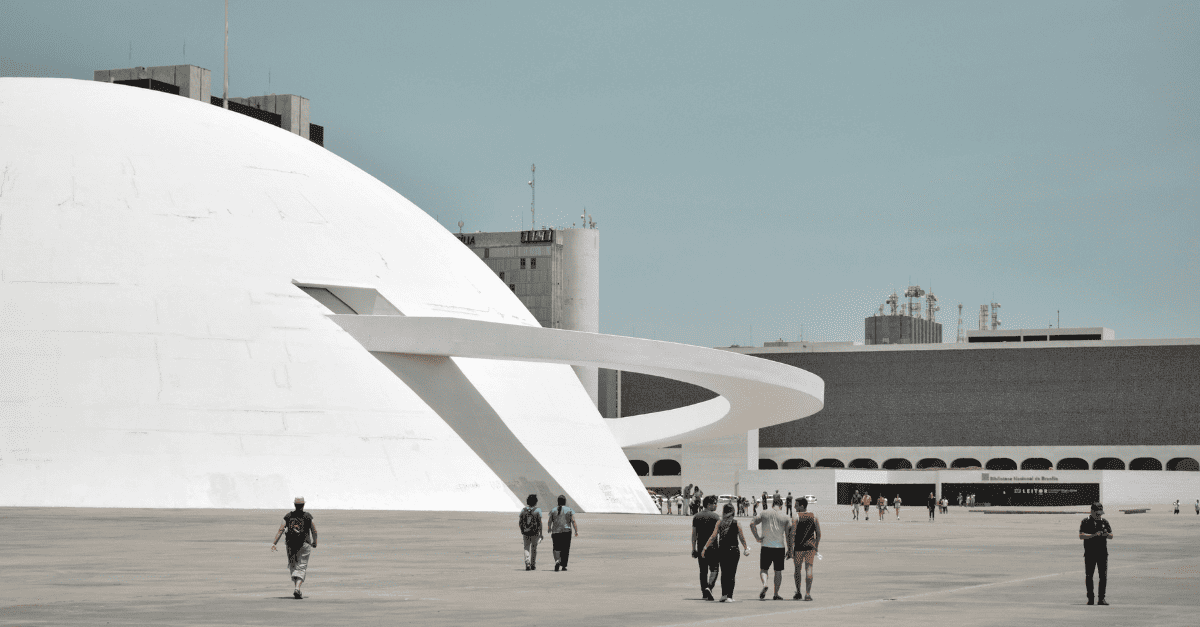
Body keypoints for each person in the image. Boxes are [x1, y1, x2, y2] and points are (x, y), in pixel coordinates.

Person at [702, 503, 750, 602]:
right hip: (733, 551)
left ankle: (723, 595)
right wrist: (745, 547)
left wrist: (705, 547)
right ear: (733, 511)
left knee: (724, 573)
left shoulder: (719, 522)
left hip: (722, 550)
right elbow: (741, 537)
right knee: (731, 573)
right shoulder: (736, 523)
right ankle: (729, 596)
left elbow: (713, 536)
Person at [271, 496, 317, 599]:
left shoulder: (288, 516)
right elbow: (314, 531)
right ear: (303, 505)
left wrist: (274, 543)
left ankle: (297, 588)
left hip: (291, 544)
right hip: (305, 544)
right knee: (302, 565)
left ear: (294, 505)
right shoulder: (308, 516)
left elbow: (280, 530)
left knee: (293, 565)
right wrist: (315, 542)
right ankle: (297, 588)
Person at [750, 496, 793, 600]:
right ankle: (776, 593)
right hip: (779, 547)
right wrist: (790, 549)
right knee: (778, 571)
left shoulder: (764, 513)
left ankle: (765, 584)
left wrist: (757, 537)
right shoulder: (786, 516)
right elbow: (788, 535)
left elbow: (752, 523)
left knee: (764, 569)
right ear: (781, 506)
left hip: (766, 546)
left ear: (772, 504)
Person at [1079, 501, 1113, 605]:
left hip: (1102, 553)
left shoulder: (1104, 522)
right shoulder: (1085, 521)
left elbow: (1111, 536)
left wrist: (1105, 534)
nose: (1099, 515)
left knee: (1103, 576)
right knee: (1089, 576)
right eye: (1097, 513)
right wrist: (1093, 535)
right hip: (1090, 553)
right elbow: (1081, 536)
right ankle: (1090, 598)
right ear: (1092, 511)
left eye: (1100, 514)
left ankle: (1101, 598)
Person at [790, 497, 821, 601]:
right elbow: (819, 533)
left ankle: (798, 592)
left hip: (798, 548)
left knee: (797, 570)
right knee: (809, 569)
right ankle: (807, 594)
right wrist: (816, 547)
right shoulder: (814, 516)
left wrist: (790, 548)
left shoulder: (796, 517)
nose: (794, 506)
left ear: (802, 506)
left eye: (796, 505)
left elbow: (792, 533)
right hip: (810, 548)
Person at [691, 495, 722, 600]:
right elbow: (720, 534)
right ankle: (709, 587)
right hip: (713, 548)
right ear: (709, 505)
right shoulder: (716, 517)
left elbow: (694, 534)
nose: (716, 506)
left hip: (700, 548)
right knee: (715, 569)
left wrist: (693, 548)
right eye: (714, 504)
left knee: (703, 571)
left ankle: (704, 592)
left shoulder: (696, 516)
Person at [548, 495, 579, 571]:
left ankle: (557, 561)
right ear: (565, 502)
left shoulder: (553, 510)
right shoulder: (569, 510)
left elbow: (550, 521)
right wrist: (576, 530)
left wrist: (549, 528)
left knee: (556, 548)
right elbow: (573, 521)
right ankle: (564, 565)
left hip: (556, 532)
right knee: (565, 549)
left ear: (558, 502)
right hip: (566, 532)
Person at [519, 494, 543, 570]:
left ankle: (527, 563)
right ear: (535, 502)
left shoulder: (523, 510)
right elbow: (540, 523)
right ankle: (533, 564)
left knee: (526, 547)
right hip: (535, 532)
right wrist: (541, 534)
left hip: (526, 532)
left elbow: (520, 522)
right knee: (534, 548)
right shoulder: (538, 510)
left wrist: (522, 530)